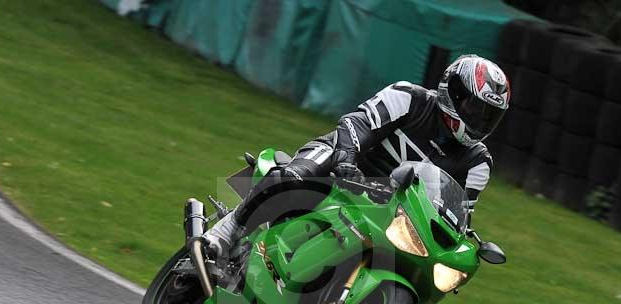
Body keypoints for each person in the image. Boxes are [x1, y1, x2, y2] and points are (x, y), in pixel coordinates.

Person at [204, 54, 511, 258]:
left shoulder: (477, 162)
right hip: (345, 166)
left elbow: (460, 213)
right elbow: (358, 122)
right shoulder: (410, 98)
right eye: (476, 108)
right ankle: (228, 230)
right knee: (298, 174)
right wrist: (346, 158)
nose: (480, 121)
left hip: (388, 211)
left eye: (490, 117)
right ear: (454, 92)